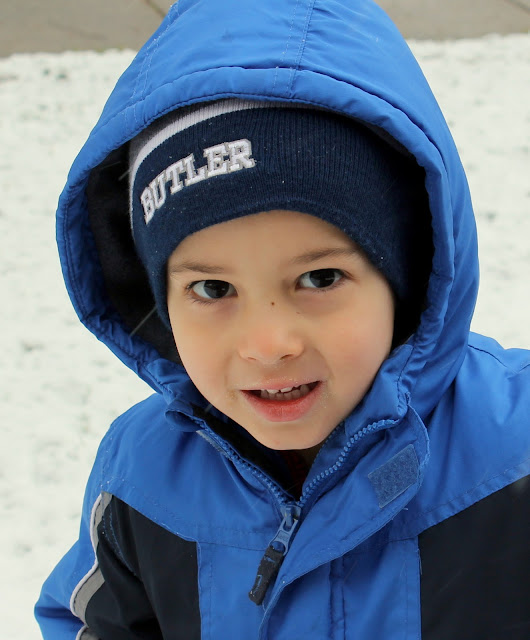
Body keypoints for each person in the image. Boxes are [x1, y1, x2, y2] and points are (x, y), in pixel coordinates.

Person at [35, 0, 530, 638]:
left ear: (406, 278)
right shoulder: (140, 475)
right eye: (213, 288)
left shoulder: (515, 448)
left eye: (319, 279)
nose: (268, 344)